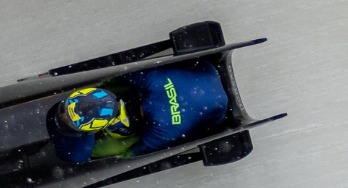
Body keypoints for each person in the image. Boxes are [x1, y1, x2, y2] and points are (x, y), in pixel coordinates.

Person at [48, 59, 229, 164]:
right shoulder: (148, 81)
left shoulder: (162, 129)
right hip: (204, 70)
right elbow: (115, 75)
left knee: (94, 152)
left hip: (214, 109)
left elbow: (130, 156)